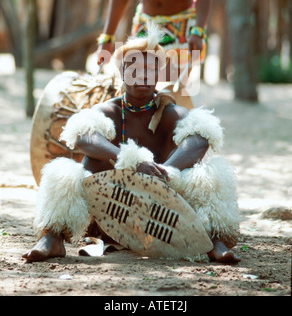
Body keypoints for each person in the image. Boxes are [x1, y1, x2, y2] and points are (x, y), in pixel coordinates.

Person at [23, 24, 240, 265]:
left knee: (210, 173)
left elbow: (202, 136)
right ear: (123, 73)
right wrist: (130, 161)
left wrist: (166, 171)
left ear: (158, 75)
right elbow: (83, 136)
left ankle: (213, 241)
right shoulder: (109, 110)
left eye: (150, 70)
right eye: (135, 70)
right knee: (64, 171)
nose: (143, 76)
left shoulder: (170, 113)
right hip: (112, 210)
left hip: (163, 215)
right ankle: (52, 237)